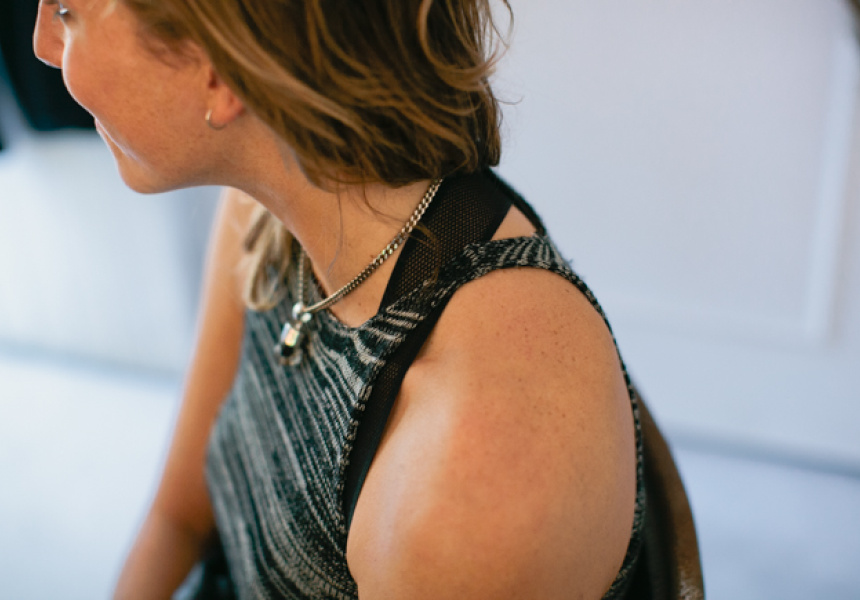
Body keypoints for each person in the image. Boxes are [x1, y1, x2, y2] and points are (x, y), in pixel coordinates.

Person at [34, 1, 644, 598]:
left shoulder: (469, 485)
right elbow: (180, 518)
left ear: (218, 73)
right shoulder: (265, 206)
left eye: (66, 12)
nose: (43, 45)